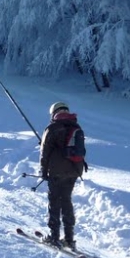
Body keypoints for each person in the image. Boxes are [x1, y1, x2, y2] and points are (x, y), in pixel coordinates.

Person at [39, 101, 86, 249]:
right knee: (66, 201)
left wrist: (43, 171)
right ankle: (69, 239)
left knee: (54, 202)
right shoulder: (76, 126)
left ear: (54, 113)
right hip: (73, 171)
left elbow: (44, 152)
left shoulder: (52, 128)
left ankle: (54, 237)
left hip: (56, 171)